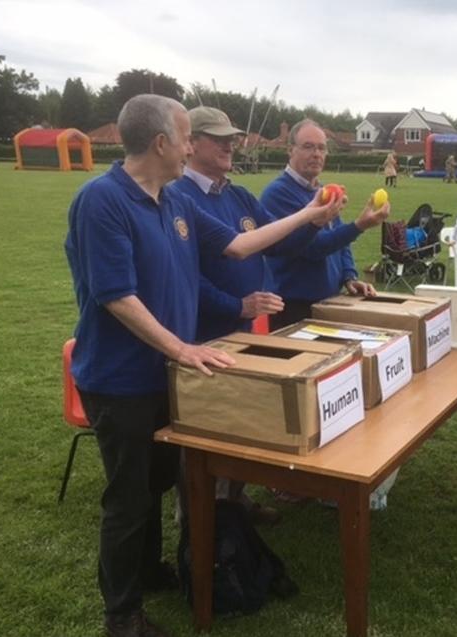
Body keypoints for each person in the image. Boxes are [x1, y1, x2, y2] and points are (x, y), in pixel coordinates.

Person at [64, 95, 340, 637]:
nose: (193, 147)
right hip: (122, 380)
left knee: (159, 482)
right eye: (188, 137)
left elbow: (238, 246)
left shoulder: (174, 200)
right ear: (162, 142)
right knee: (127, 498)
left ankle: (149, 572)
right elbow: (116, 296)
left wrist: (309, 216)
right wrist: (181, 348)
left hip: (166, 372)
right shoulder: (102, 200)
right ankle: (121, 616)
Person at [174, 106, 323, 524]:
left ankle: (234, 503)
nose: (230, 144)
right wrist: (236, 305)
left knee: (243, 420)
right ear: (190, 144)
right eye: (218, 137)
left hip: (241, 333)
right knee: (204, 432)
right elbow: (187, 276)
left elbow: (275, 243)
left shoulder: (237, 194)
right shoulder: (179, 197)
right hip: (199, 335)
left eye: (232, 137)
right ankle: (198, 520)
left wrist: (315, 222)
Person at [260, 119, 390, 330]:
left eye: (321, 148)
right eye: (308, 146)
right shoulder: (278, 194)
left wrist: (349, 276)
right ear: (290, 150)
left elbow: (338, 237)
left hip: (328, 301)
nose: (316, 154)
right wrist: (359, 226)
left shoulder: (322, 190)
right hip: (294, 307)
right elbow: (313, 248)